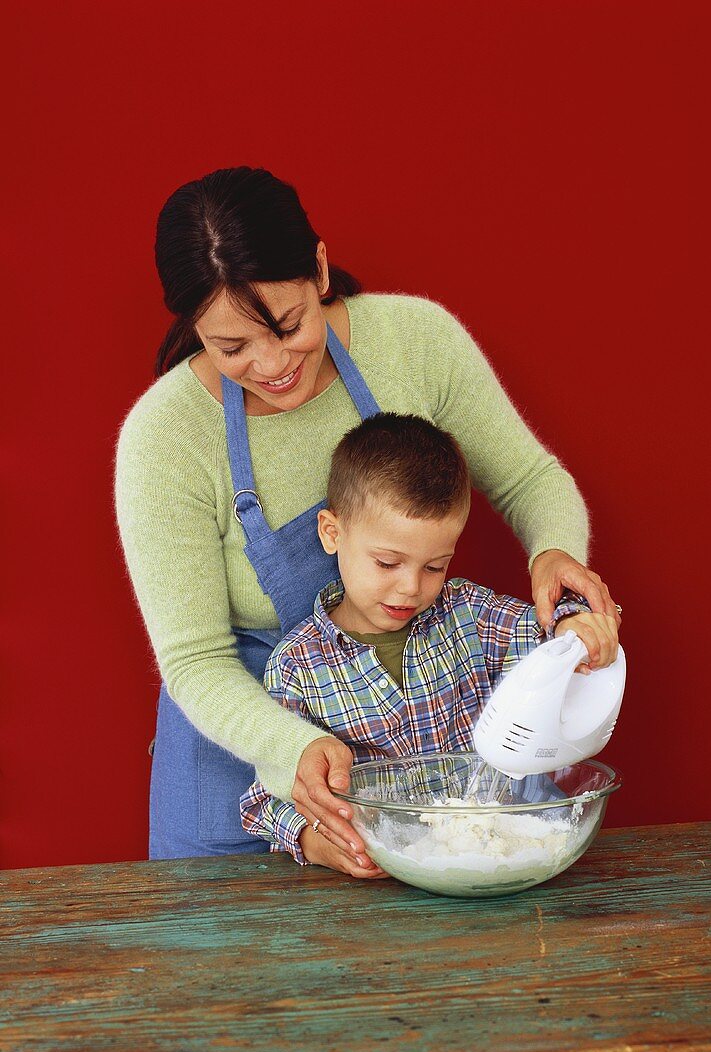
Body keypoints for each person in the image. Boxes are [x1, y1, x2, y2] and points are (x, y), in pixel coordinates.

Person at [115, 166, 621, 860]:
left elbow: (531, 478)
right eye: (231, 347)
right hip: (237, 735)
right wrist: (292, 749)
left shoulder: (416, 342)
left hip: (400, 731)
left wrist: (554, 553)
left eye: (289, 326)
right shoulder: (165, 438)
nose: (270, 365)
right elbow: (195, 660)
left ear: (319, 269)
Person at [241, 413, 619, 877]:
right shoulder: (297, 666)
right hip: (383, 878)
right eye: (387, 563)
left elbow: (549, 636)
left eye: (434, 567)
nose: (410, 588)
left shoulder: (469, 615)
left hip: (496, 855)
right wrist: (316, 842)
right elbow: (263, 800)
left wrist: (575, 629)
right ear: (331, 532)